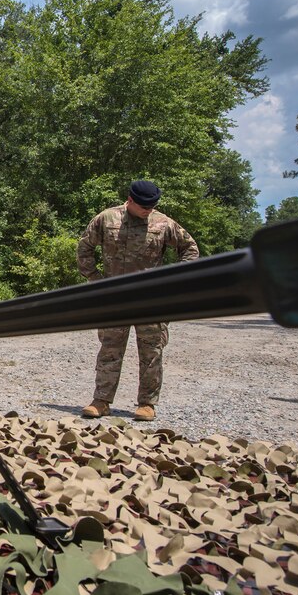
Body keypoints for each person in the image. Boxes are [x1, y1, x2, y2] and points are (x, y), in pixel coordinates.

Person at [76, 180, 199, 421]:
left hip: (150, 300)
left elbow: (190, 249)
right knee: (109, 350)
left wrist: (172, 280)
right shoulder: (107, 219)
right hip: (115, 298)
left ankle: (147, 404)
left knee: (151, 353)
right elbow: (84, 248)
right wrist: (97, 280)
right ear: (130, 200)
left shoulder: (163, 223)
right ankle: (101, 401)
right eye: (143, 206)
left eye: (152, 206)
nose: (147, 210)